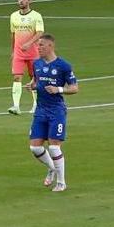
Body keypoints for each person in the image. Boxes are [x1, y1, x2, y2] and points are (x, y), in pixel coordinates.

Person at [28, 35, 76, 191]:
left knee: (54, 147)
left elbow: (74, 88)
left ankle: (61, 182)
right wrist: (32, 86)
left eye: (41, 45)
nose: (38, 48)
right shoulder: (37, 64)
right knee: (35, 148)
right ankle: (52, 168)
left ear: (50, 46)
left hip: (56, 111)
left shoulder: (64, 66)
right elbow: (37, 82)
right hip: (41, 110)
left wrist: (59, 89)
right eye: (38, 45)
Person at [7, 0, 44, 114]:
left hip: (33, 53)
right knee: (17, 77)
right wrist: (13, 51)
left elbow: (39, 33)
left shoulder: (36, 16)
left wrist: (29, 43)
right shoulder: (13, 16)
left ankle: (36, 104)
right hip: (19, 53)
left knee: (34, 78)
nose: (21, 1)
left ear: (29, 1)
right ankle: (16, 106)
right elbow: (13, 34)